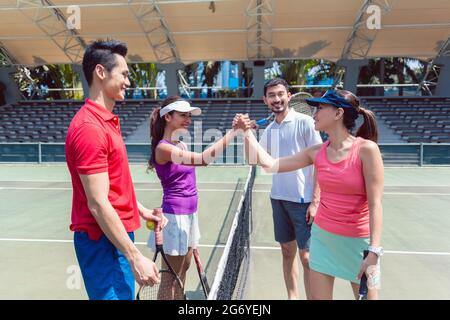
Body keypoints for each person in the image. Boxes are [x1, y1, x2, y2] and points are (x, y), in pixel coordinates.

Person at [234, 89, 384, 300]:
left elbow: (375, 203)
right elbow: (270, 164)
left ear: (338, 113)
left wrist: (374, 251)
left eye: (321, 108)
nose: (315, 113)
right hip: (322, 239)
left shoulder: (367, 150)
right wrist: (246, 132)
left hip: (359, 242)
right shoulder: (316, 152)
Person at [65, 39, 167, 300]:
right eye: (123, 74)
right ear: (101, 72)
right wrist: (134, 257)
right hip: (104, 241)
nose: (128, 81)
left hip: (116, 236)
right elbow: (98, 203)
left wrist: (140, 210)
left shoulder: (106, 122)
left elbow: (112, 189)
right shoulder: (90, 128)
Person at [147, 95, 239, 298]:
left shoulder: (181, 145)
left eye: (189, 116)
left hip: (189, 216)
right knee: (170, 279)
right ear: (168, 117)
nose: (188, 119)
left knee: (182, 272)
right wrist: (234, 132)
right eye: (182, 115)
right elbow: (204, 160)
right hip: (174, 217)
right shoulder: (163, 148)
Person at [252, 78, 322, 300]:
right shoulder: (269, 129)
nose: (277, 99)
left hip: (304, 201)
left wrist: (315, 201)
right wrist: (248, 133)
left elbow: (320, 160)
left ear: (289, 96)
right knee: (287, 252)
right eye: (271, 95)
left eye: (280, 94)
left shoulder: (305, 122)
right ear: (265, 100)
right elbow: (259, 160)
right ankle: (293, 297)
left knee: (307, 257)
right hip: (279, 198)